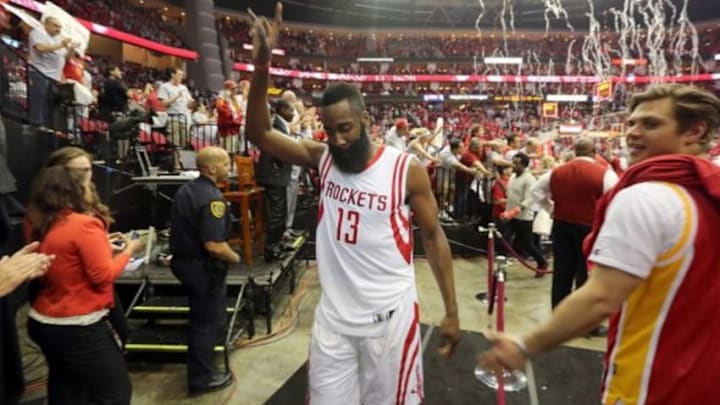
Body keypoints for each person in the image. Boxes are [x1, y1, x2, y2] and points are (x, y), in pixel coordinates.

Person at [246, 5, 459, 404]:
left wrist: (451, 310)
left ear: (364, 120)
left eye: (344, 129)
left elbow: (433, 236)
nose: (337, 139)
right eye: (329, 130)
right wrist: (262, 67)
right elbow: (258, 132)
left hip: (389, 321)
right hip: (334, 319)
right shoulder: (321, 157)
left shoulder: (404, 170)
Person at [478, 84, 720, 405]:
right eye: (632, 123)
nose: (632, 133)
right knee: (577, 275)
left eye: (650, 124)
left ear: (694, 131)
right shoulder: (708, 191)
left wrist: (525, 345)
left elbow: (600, 298)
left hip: (652, 379)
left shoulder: (644, 196)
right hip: (706, 373)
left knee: (570, 278)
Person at [25, 147, 143, 405]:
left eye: (87, 170)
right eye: (78, 172)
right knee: (115, 392)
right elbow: (102, 276)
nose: (85, 178)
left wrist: (100, 247)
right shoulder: (81, 223)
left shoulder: (40, 217)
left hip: (46, 317)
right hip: (78, 322)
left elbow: (61, 256)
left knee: (66, 384)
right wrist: (130, 251)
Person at [169, 146, 239, 395]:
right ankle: (201, 380)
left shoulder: (186, 190)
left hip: (184, 263)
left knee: (207, 320)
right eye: (225, 163)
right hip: (201, 269)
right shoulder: (212, 199)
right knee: (205, 324)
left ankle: (205, 367)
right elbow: (215, 246)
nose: (228, 168)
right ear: (211, 168)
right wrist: (235, 258)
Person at [530, 138, 618, 331]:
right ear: (594, 152)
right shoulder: (605, 174)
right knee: (585, 274)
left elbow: (535, 191)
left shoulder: (557, 171)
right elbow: (616, 201)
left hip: (562, 226)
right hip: (589, 228)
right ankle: (585, 322)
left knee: (562, 272)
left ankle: (558, 317)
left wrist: (551, 208)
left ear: (575, 151)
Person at [500, 152, 548, 276]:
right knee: (504, 240)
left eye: (516, 163)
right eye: (513, 162)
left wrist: (513, 211)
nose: (513, 166)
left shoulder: (529, 179)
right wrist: (507, 211)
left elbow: (529, 199)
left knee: (527, 244)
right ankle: (502, 269)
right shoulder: (512, 176)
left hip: (524, 218)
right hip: (511, 216)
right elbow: (510, 196)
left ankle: (542, 262)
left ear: (524, 165)